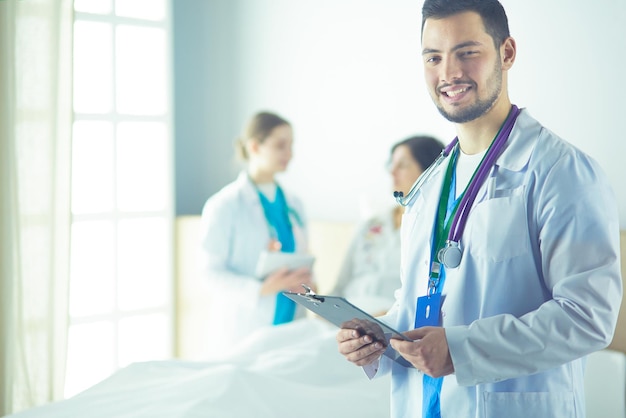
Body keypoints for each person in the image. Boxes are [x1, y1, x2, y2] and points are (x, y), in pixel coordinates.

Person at [335, 1, 623, 417]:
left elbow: (588, 317)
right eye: (433, 57)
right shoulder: (430, 183)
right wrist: (376, 338)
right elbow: (423, 299)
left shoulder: (562, 172)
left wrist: (462, 349)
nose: (448, 72)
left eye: (467, 52)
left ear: (507, 53)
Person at [200, 111, 314, 357]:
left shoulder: (294, 204)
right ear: (254, 146)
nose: (290, 154)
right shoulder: (225, 205)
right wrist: (260, 289)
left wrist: (310, 283)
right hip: (245, 328)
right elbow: (209, 274)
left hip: (292, 325)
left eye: (291, 145)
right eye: (280, 145)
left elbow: (301, 257)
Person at [330, 136, 443, 316]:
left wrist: (391, 316)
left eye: (403, 165)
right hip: (343, 314)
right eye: (391, 164)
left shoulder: (436, 231)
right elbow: (340, 285)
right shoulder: (371, 225)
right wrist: (325, 310)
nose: (392, 172)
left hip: (387, 319)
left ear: (429, 171)